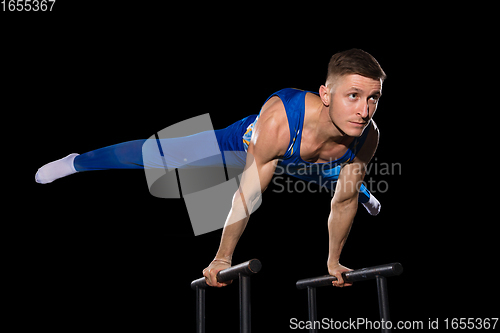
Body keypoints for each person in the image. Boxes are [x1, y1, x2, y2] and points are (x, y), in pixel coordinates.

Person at [35, 48, 386, 288]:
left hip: (312, 161)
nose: (364, 110)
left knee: (346, 184)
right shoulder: (280, 121)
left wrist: (333, 262)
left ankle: (363, 190)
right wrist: (222, 258)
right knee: (159, 155)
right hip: (246, 147)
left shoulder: (367, 135)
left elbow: (341, 203)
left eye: (373, 98)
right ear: (325, 94)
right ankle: (77, 162)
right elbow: (247, 195)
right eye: (353, 96)